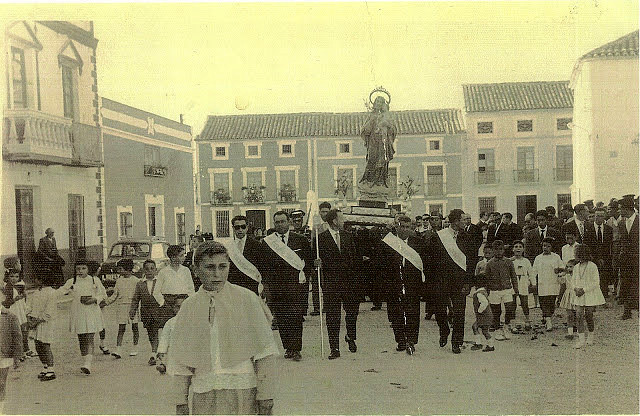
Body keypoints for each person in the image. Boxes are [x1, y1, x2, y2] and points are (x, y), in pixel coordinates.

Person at [167, 241, 278, 415]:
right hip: (205, 391)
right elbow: (180, 360)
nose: (217, 274)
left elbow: (265, 352)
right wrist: (180, 401)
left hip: (242, 389)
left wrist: (266, 395)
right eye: (210, 267)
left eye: (222, 266)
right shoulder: (189, 306)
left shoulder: (247, 299)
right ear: (196, 271)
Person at [260, 211, 313, 361]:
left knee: (296, 317)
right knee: (282, 318)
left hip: (296, 286)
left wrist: (305, 278)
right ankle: (288, 347)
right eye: (277, 222)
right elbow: (264, 265)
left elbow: (307, 262)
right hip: (277, 286)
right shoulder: (267, 242)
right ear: (274, 223)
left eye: (283, 221)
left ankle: (296, 348)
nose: (280, 225)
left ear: (288, 222)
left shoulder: (300, 240)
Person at [314, 209, 360, 359]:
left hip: (349, 282)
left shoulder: (348, 236)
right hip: (331, 283)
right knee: (333, 316)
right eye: (342, 218)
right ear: (334, 221)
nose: (344, 221)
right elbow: (314, 259)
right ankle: (334, 348)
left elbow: (354, 258)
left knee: (352, 313)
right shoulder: (320, 239)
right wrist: (317, 263)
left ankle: (350, 336)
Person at [379, 215, 427, 355]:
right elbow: (381, 265)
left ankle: (411, 340)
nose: (405, 230)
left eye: (408, 227)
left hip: (412, 283)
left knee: (412, 311)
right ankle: (400, 339)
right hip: (394, 283)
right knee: (395, 312)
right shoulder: (388, 242)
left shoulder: (417, 243)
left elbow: (423, 264)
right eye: (402, 227)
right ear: (397, 227)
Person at [430, 209, 472, 354]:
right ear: (455, 221)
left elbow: (470, 262)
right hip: (441, 279)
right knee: (440, 310)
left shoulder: (467, 237)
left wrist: (468, 282)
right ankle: (444, 330)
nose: (465, 222)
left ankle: (457, 342)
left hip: (460, 281)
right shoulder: (439, 237)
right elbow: (431, 260)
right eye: (463, 219)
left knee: (460, 312)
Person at [57, 259, 107, 374]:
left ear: (88, 269)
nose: (80, 271)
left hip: (91, 312)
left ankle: (88, 364)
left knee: (90, 337)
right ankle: (85, 360)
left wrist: (95, 299)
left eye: (83, 268)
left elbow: (102, 294)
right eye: (78, 269)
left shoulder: (95, 280)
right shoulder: (72, 281)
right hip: (78, 312)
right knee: (82, 338)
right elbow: (61, 291)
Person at [130, 260, 165, 367]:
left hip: (158, 310)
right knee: (151, 333)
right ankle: (156, 352)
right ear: (144, 270)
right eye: (147, 269)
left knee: (157, 332)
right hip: (146, 312)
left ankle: (154, 354)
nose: (149, 271)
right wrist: (132, 310)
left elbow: (164, 294)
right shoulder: (140, 284)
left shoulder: (159, 281)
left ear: (155, 270)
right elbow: (136, 298)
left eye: (152, 268)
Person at [359, 94, 397, 190]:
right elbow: (364, 131)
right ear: (374, 103)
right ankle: (370, 181)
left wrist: (387, 125)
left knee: (382, 161)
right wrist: (372, 122)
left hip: (383, 143)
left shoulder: (387, 116)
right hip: (373, 142)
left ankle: (380, 181)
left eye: (381, 102)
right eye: (377, 102)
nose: (378, 104)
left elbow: (394, 129)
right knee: (372, 160)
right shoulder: (371, 116)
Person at [571, 245, 606, 348]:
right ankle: (581, 340)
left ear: (581, 254)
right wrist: (575, 288)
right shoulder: (576, 267)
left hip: (589, 293)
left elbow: (596, 282)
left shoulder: (592, 266)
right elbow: (572, 281)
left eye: (576, 253)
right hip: (579, 294)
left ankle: (590, 336)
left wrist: (584, 290)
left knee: (589, 315)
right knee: (578, 316)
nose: (574, 255)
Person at [25, 272, 57, 381]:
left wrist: (38, 320)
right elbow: (29, 306)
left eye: (36, 278)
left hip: (45, 323)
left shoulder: (52, 293)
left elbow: (49, 310)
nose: (35, 281)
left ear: (43, 280)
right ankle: (45, 367)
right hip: (35, 322)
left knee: (45, 345)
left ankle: (51, 370)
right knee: (37, 345)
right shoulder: (35, 292)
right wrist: (29, 317)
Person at [106, 259, 140, 359]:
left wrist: (136, 307)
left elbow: (139, 296)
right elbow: (115, 295)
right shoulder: (119, 280)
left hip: (133, 307)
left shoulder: (136, 281)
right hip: (121, 307)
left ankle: (135, 347)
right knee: (121, 328)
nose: (119, 271)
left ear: (128, 269)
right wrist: (106, 302)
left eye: (120, 269)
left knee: (135, 327)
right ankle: (118, 349)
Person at [484, 241, 518, 340]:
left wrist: (516, 289)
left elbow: (513, 276)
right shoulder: (490, 263)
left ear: (504, 250)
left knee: (509, 308)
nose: (498, 252)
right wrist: (486, 290)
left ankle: (506, 326)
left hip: (507, 289)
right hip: (494, 290)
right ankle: (498, 329)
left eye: (500, 249)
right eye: (496, 249)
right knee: (496, 311)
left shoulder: (508, 262)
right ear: (493, 250)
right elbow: (487, 278)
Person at [532, 238, 564, 331]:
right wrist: (533, 283)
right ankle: (549, 321)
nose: (545, 248)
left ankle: (547, 317)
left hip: (553, 283)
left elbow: (562, 268)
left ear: (552, 247)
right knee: (543, 302)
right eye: (544, 246)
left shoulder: (556, 257)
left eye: (548, 246)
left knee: (551, 303)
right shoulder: (538, 258)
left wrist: (558, 270)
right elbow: (534, 271)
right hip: (542, 284)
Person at [228, 216, 263, 295]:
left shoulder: (257, 245)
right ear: (233, 228)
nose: (240, 230)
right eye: (237, 227)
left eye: (243, 227)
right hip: (234, 288)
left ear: (247, 228)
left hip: (252, 287)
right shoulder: (228, 247)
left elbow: (262, 267)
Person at [2, 269, 33, 360]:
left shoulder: (18, 286)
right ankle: (18, 354)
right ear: (7, 277)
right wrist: (15, 299)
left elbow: (23, 300)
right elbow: (5, 303)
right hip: (13, 311)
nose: (14, 279)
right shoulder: (7, 287)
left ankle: (24, 350)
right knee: (16, 334)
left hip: (20, 311)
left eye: (16, 276)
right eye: (11, 276)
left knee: (23, 332)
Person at [155, 293, 188, 375]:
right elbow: (164, 337)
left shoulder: (193, 322)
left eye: (184, 307)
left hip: (188, 351)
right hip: (174, 351)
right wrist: (161, 350)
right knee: (172, 364)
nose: (181, 310)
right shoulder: (170, 322)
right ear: (173, 308)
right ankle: (164, 365)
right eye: (178, 307)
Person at [0, 299, 23, 414]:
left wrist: (17, 357)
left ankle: (1, 410)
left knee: (1, 383)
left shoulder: (10, 316)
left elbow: (17, 338)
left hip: (4, 355)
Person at [618, 196, 638, 320]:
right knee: (625, 284)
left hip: (638, 259)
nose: (620, 211)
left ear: (627, 209)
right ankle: (627, 312)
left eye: (621, 209)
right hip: (625, 260)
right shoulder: (621, 223)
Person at [590, 208, 614, 306]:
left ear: (604, 217)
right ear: (594, 216)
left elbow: (609, 245)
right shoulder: (588, 228)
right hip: (593, 257)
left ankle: (603, 297)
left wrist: (605, 258)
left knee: (604, 277)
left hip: (605, 258)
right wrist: (594, 257)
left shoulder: (609, 229)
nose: (598, 218)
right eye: (597, 215)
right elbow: (587, 245)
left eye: (601, 216)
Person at [511, 241, 535, 329]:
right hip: (513, 283)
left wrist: (533, 283)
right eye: (516, 246)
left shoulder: (526, 261)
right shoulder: (510, 261)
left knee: (524, 303)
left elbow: (531, 273)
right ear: (513, 249)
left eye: (520, 247)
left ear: (523, 249)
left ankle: (527, 321)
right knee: (512, 304)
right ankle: (513, 322)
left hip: (523, 283)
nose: (518, 248)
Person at [469, 275, 494, 352]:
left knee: (480, 329)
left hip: (484, 315)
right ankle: (487, 344)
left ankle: (486, 345)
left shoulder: (479, 294)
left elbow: (485, 303)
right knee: (481, 329)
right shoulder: (482, 292)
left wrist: (479, 311)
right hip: (486, 315)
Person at [558, 259, 578, 340]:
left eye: (571, 267)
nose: (569, 269)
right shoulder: (566, 277)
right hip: (568, 295)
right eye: (568, 267)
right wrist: (559, 298)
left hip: (577, 295)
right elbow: (562, 287)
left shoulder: (579, 277)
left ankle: (577, 330)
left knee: (577, 314)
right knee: (569, 314)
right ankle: (570, 333)